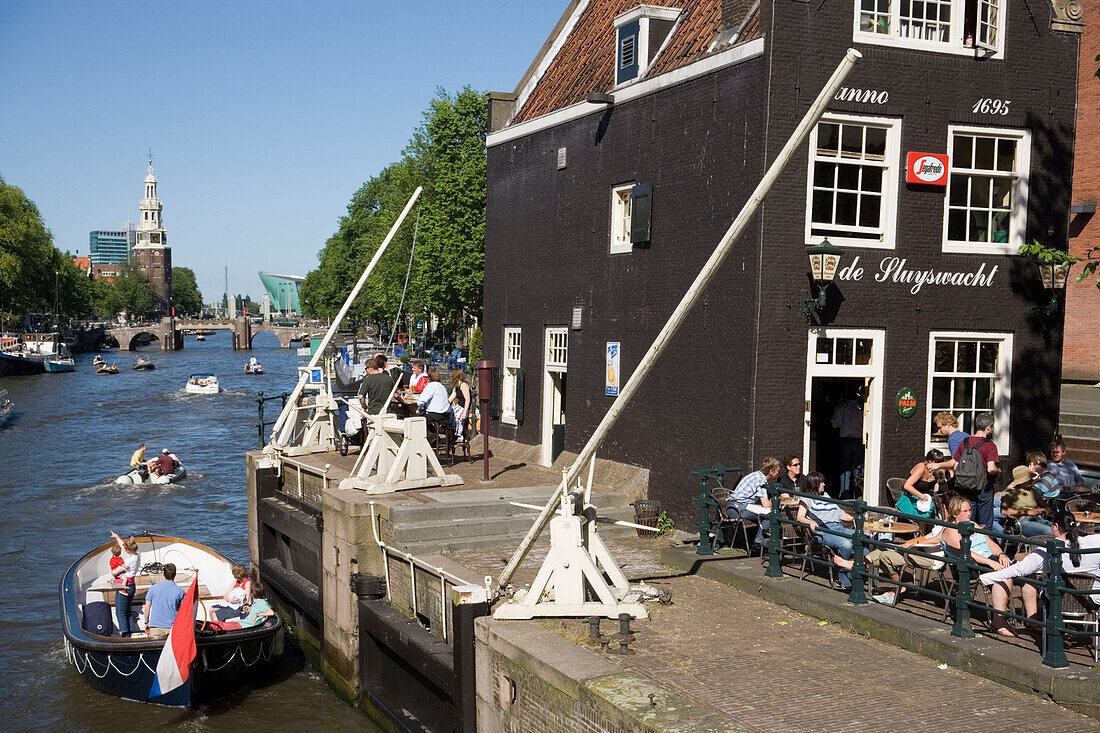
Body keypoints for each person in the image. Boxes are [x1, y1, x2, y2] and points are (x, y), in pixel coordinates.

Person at [980, 510, 1100, 637]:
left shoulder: (1044, 552)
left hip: (1059, 601)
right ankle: (1073, 626)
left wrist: (986, 578)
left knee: (1037, 579)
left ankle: (1049, 628)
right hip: (1091, 600)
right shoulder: (1096, 541)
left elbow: (1017, 570)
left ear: (1056, 527)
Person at [930, 412, 1000, 529]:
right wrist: (999, 471)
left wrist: (938, 465)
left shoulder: (965, 442)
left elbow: (955, 463)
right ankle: (983, 545)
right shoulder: (990, 445)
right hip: (984, 488)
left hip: (966, 486)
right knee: (985, 524)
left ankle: (965, 545)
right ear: (988, 427)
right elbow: (991, 469)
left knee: (968, 520)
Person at [796, 472, 856, 589]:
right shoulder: (806, 498)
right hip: (822, 530)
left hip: (839, 527)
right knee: (846, 544)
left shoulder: (826, 495)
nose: (824, 484)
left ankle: (858, 573)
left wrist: (852, 518)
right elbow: (799, 517)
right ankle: (842, 577)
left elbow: (839, 513)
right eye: (821, 482)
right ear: (814, 484)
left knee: (864, 538)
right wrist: (810, 522)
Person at [999, 465, 1052, 537]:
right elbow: (1004, 511)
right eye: (1028, 480)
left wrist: (1046, 509)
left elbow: (1044, 505)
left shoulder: (1033, 491)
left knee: (1059, 530)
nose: (1031, 481)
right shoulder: (1010, 492)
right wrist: (1027, 512)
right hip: (1021, 522)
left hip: (1037, 519)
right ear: (1021, 482)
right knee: (1049, 531)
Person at [831, 389, 863, 499]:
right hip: (858, 440)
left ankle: (844, 498)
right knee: (858, 471)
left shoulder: (840, 408)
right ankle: (859, 498)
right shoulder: (861, 409)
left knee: (845, 470)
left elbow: (835, 424)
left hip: (844, 440)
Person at [896, 450, 945, 519]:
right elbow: (907, 486)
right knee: (927, 511)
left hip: (924, 500)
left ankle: (926, 529)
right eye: (937, 463)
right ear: (930, 461)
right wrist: (923, 497)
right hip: (911, 499)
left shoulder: (934, 471)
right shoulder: (921, 468)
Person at [208, 581, 275, 631]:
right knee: (220, 624)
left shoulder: (262, 603)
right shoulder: (257, 602)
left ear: (252, 594)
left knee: (219, 626)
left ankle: (202, 627)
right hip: (241, 623)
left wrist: (257, 615)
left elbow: (271, 612)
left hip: (243, 626)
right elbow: (258, 608)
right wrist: (250, 608)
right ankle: (202, 625)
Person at [143, 562, 186, 639]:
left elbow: (147, 608)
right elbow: (183, 612)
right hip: (172, 628)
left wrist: (146, 622)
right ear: (175, 575)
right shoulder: (180, 591)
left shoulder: (153, 588)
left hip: (155, 627)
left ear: (164, 574)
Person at [109, 531, 140, 636]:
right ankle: (132, 631)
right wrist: (117, 537)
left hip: (124, 588)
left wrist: (113, 571)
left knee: (120, 613)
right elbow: (123, 546)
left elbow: (114, 572)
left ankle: (125, 634)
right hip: (132, 586)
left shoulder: (128, 562)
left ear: (127, 550)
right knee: (127, 611)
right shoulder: (136, 556)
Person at [448, 369, 473, 438]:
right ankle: (451, 434)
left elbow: (467, 399)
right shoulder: (456, 386)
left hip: (463, 407)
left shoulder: (463, 385)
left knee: (457, 418)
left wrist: (465, 412)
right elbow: (451, 397)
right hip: (458, 406)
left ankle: (458, 435)